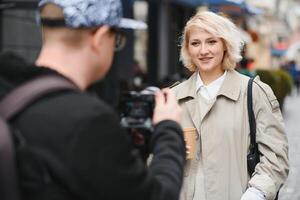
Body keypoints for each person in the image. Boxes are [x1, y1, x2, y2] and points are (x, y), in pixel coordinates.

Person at [0, 0, 186, 199]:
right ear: (100, 37)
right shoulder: (89, 121)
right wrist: (168, 129)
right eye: (117, 37)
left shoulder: (7, 87)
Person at [171, 11, 289, 200]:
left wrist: (256, 193)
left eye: (211, 41)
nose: (203, 51)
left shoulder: (253, 92)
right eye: (195, 43)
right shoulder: (172, 98)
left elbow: (276, 158)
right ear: (187, 49)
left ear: (225, 45)